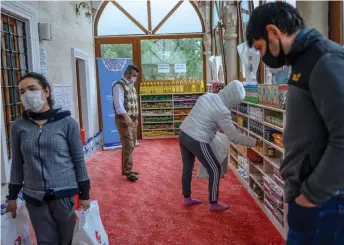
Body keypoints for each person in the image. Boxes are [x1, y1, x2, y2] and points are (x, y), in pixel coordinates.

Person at [246, 2, 344, 244]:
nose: (261, 56)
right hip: (311, 198)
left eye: (259, 48)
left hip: (325, 203)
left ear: (273, 32)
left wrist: (310, 196)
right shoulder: (302, 62)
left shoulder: (324, 59)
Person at [5, 72, 91, 244]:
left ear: (46, 92)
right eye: (22, 92)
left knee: (67, 239)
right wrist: (12, 196)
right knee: (45, 241)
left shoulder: (67, 123)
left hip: (64, 194)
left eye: (32, 89)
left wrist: (85, 193)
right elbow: (17, 164)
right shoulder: (18, 126)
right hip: (34, 196)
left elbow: (78, 161)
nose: (27, 95)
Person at [179, 80, 256, 211]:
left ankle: (187, 198)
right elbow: (234, 137)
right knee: (215, 169)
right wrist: (254, 142)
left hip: (183, 133)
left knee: (187, 167)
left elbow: (205, 117)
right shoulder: (223, 111)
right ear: (233, 100)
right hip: (197, 139)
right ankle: (213, 203)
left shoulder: (207, 96)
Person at [112, 65, 140, 182]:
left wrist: (136, 118)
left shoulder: (132, 86)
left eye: (136, 76)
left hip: (133, 119)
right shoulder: (119, 85)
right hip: (124, 120)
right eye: (134, 76)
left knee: (131, 144)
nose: (135, 78)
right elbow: (118, 104)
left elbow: (134, 103)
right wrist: (127, 117)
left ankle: (128, 168)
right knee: (129, 145)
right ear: (127, 74)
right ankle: (128, 172)